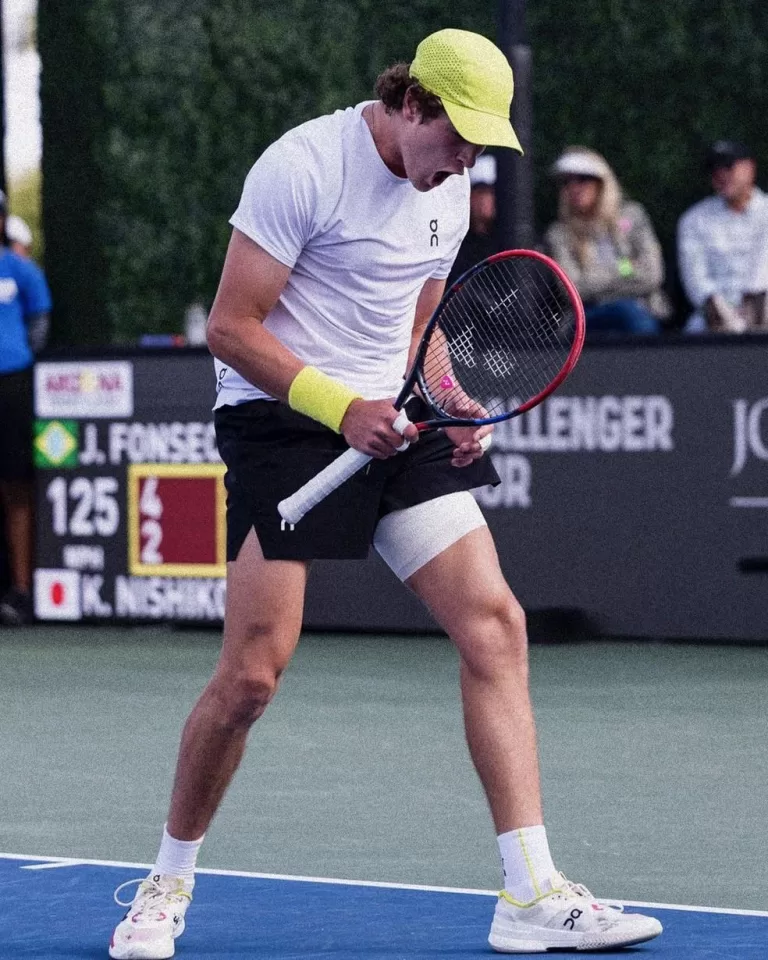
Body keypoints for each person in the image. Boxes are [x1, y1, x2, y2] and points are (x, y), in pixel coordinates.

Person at [108, 30, 662, 959]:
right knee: (251, 676)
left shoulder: (442, 193)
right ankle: (165, 883)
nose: (467, 164)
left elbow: (419, 327)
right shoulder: (302, 166)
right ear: (412, 105)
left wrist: (451, 399)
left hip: (393, 418)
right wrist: (339, 405)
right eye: (458, 139)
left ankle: (529, 893)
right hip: (285, 418)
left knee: (495, 622)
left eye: (483, 147)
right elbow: (231, 327)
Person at [544, 147, 669, 336]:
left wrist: (594, 276)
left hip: (643, 310)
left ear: (603, 183)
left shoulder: (634, 217)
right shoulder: (559, 233)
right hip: (588, 317)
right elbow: (572, 289)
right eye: (567, 182)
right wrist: (626, 268)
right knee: (627, 312)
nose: (574, 187)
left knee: (632, 313)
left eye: (583, 179)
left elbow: (653, 275)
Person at [0, 192, 53, 625]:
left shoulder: (21, 270)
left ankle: (20, 591)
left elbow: (39, 326)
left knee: (16, 486)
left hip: (11, 384)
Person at [677, 140, 768, 333]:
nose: (721, 175)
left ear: (750, 168)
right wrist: (716, 307)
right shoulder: (694, 219)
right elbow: (696, 279)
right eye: (714, 170)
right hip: (713, 318)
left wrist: (754, 308)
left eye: (728, 167)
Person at [447, 153, 501, 285]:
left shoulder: (511, 241)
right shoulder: (455, 244)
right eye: (480, 192)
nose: (485, 200)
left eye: (490, 192)